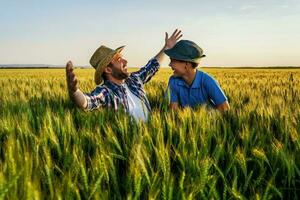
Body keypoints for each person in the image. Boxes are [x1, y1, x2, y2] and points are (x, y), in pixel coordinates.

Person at [66, 29, 182, 121]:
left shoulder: (134, 80)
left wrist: (166, 47)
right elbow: (88, 101)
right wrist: (74, 92)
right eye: (119, 59)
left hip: (151, 134)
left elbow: (152, 66)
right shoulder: (106, 92)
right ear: (108, 69)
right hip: (131, 143)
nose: (125, 61)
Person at [165, 40, 230, 111]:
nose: (169, 64)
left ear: (187, 64)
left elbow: (225, 108)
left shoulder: (207, 81)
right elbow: (173, 111)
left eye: (172, 61)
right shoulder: (173, 81)